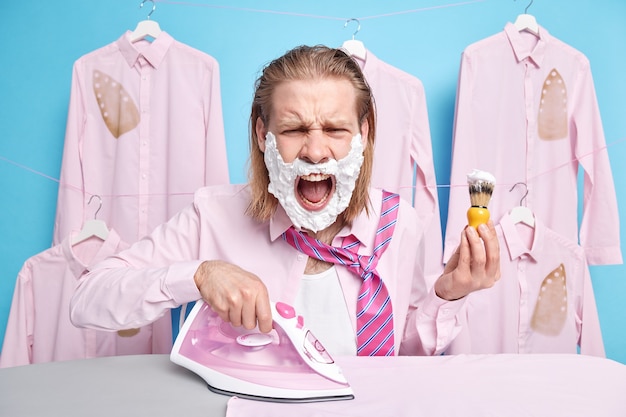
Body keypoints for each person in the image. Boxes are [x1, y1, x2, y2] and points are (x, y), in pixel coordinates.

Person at [70, 45, 500, 356]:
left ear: (364, 135)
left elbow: (402, 359)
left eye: (334, 129)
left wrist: (449, 295)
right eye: (294, 130)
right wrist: (198, 274)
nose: (315, 151)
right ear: (262, 135)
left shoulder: (400, 225)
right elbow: (87, 300)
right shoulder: (214, 216)